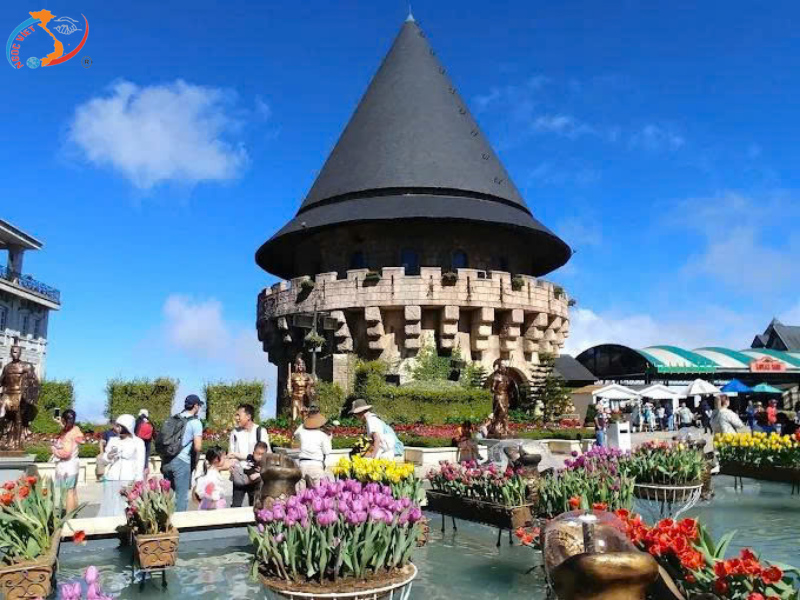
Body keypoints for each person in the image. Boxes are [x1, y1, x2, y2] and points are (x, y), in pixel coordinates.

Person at [158, 395, 204, 512]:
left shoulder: (175, 418)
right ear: (195, 406)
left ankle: (166, 519)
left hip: (167, 460)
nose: (199, 407)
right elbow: (198, 447)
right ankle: (179, 522)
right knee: (181, 497)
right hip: (182, 462)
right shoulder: (195, 422)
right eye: (199, 405)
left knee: (167, 495)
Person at [98, 414, 146, 517]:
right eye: (117, 426)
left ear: (127, 427)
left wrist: (138, 481)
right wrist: (108, 456)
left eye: (119, 426)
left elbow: (140, 463)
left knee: (126, 506)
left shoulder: (138, 442)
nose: (117, 428)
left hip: (128, 479)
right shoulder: (113, 440)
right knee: (111, 506)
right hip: (112, 478)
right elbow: (105, 460)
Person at [228, 403, 271, 507]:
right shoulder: (235, 432)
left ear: (248, 416)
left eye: (239, 415)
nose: (236, 418)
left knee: (256, 507)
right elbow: (231, 453)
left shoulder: (260, 431)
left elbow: (267, 454)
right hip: (239, 475)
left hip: (255, 476)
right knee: (235, 507)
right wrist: (231, 464)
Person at [50, 409, 84, 513]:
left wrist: (54, 449)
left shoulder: (68, 435)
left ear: (64, 420)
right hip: (74, 464)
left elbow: (65, 453)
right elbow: (69, 431)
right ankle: (75, 513)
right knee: (73, 490)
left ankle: (69, 517)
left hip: (66, 466)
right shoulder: (76, 429)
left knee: (69, 492)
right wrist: (61, 423)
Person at [294, 410, 333, 486]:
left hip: (302, 466)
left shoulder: (302, 433)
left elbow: (295, 433)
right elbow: (327, 451)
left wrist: (304, 423)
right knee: (318, 491)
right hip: (316, 466)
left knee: (301, 492)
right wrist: (329, 438)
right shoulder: (322, 435)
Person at [194, 446, 230, 510]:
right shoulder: (212, 475)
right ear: (216, 459)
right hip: (213, 506)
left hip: (208, 504)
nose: (225, 459)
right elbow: (209, 494)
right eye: (224, 457)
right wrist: (212, 505)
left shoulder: (208, 472)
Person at [134, 409, 155, 476]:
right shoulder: (149, 422)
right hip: (148, 441)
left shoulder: (137, 421)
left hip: (138, 441)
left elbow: (133, 431)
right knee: (146, 456)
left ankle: (137, 471)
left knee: (137, 456)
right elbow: (154, 432)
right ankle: (145, 470)